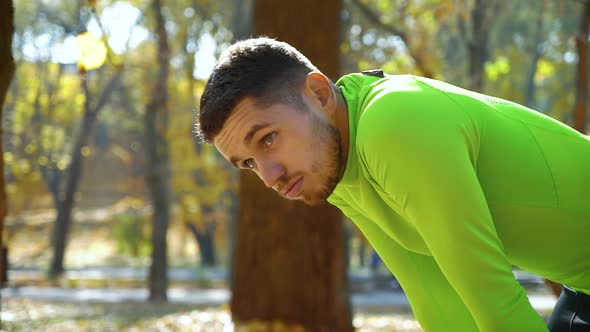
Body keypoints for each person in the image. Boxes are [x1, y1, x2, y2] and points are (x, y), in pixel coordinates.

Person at [197, 37, 590, 332]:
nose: (269, 176)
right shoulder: (339, 167)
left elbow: (491, 295)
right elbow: (436, 299)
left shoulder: (392, 122)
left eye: (267, 139)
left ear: (318, 94)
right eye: (248, 163)